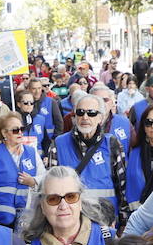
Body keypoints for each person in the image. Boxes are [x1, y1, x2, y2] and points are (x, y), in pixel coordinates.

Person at [49, 94, 129, 229]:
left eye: (91, 113)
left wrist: (123, 223)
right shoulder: (58, 144)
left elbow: (122, 187)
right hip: (72, 222)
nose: (85, 117)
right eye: (80, 112)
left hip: (105, 221)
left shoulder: (112, 144)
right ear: (74, 116)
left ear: (101, 118)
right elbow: (52, 188)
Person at [0, 108, 45, 227]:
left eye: (22, 129)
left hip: (26, 219)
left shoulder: (32, 152)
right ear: (4, 133)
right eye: (15, 130)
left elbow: (44, 176)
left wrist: (33, 181)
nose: (20, 132)